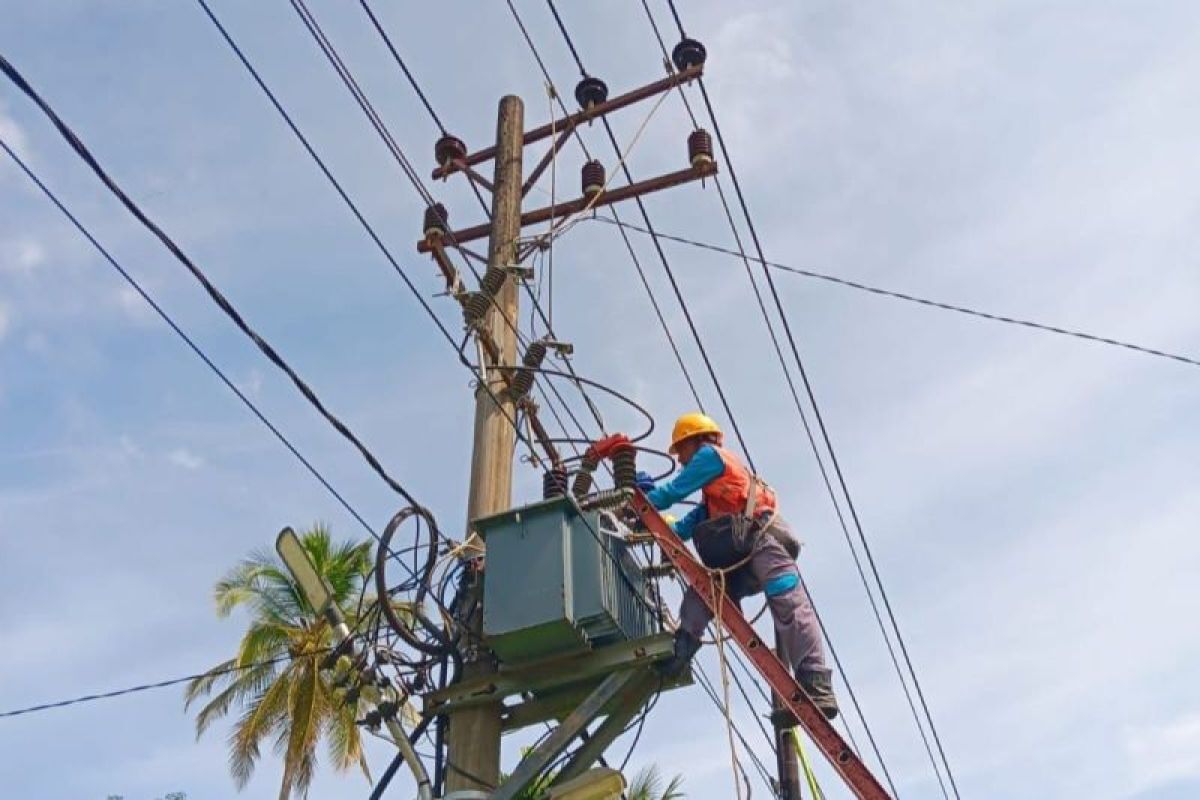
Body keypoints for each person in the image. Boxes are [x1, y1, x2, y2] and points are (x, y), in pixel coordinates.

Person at [636, 412, 839, 719]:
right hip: (736, 561)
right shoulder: (712, 500)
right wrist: (650, 516)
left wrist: (643, 496)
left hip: (762, 543)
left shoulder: (711, 456)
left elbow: (671, 494)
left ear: (696, 440)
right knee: (699, 598)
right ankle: (679, 656)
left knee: (789, 603)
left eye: (681, 451)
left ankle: (816, 685)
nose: (680, 460)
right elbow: (680, 529)